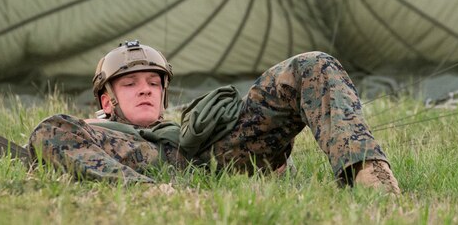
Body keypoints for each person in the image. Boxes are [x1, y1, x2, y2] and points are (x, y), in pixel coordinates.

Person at [28, 40, 400, 194]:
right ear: (107, 100)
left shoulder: (181, 126)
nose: (145, 89)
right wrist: (150, 192)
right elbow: (49, 139)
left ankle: (371, 176)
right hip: (164, 175)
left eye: (154, 83)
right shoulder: (87, 132)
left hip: (218, 154)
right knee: (49, 127)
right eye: (130, 84)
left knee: (312, 64)